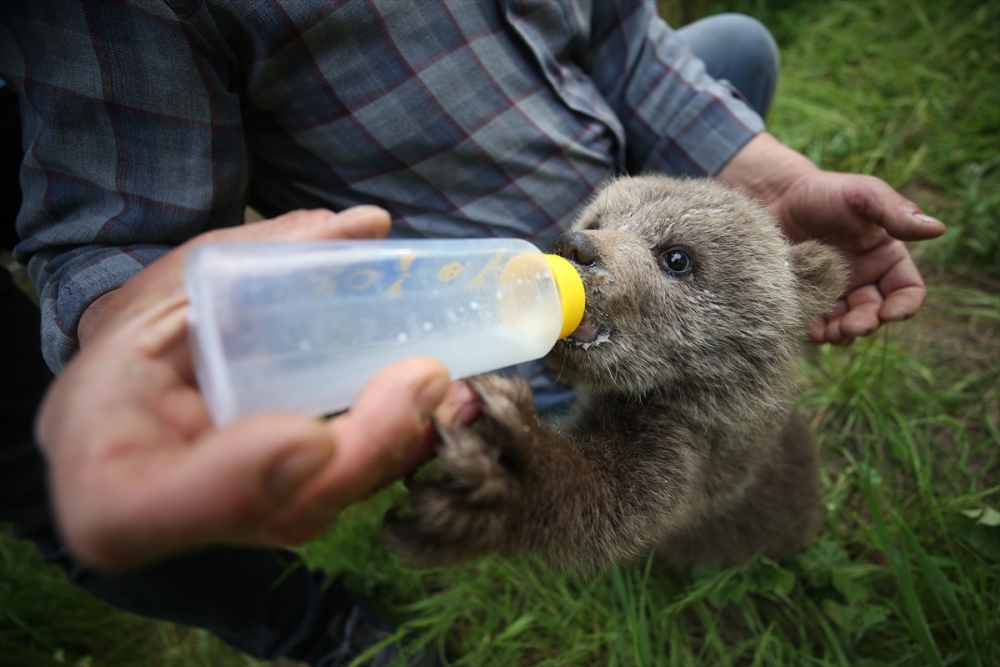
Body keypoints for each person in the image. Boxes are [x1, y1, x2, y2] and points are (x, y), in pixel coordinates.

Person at [0, 2, 944, 664]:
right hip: (462, 290)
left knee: (736, 43)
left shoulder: (702, 408)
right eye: (600, 228)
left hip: (720, 476)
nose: (584, 242)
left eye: (678, 265)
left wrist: (764, 176)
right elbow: (114, 227)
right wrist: (131, 333)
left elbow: (624, 38)